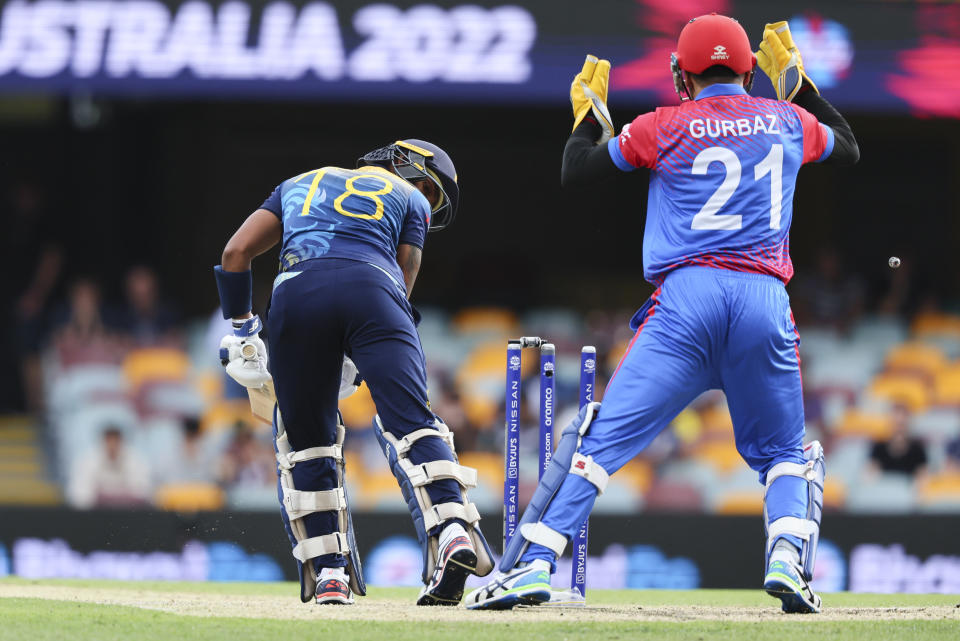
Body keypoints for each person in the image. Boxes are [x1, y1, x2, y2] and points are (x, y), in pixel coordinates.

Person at [466, 14, 859, 613]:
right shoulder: (787, 118)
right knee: (784, 453)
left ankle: (535, 565)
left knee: (598, 445)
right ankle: (788, 560)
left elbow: (577, 172)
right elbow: (848, 148)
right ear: (751, 70)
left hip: (688, 299)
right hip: (763, 300)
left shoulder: (663, 124)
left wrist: (587, 118)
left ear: (682, 71)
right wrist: (800, 86)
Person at [213, 140, 494, 606]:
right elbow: (404, 275)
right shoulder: (410, 198)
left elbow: (235, 253)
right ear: (408, 168)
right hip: (375, 290)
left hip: (297, 293)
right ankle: (451, 533)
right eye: (429, 186)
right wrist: (357, 347)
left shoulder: (299, 182)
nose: (428, 195)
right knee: (412, 421)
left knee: (306, 443)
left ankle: (329, 573)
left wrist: (244, 332)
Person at [67, 426, 152, 508]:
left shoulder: (135, 459)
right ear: (103, 442)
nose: (112, 446)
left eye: (116, 441)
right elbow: (79, 493)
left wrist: (119, 498)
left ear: (121, 442)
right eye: (109, 441)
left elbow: (143, 490)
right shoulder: (88, 460)